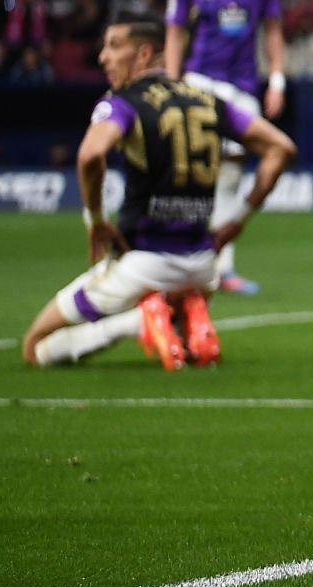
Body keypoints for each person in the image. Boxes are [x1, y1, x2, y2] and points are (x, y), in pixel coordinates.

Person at [21, 20, 298, 370]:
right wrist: (237, 221)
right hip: (203, 267)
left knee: (34, 347)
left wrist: (96, 220)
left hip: (143, 264)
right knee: (181, 306)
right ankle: (182, 316)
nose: (103, 57)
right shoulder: (209, 101)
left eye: (114, 45)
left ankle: (140, 321)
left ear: (144, 54)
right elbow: (281, 148)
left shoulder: (123, 103)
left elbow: (90, 155)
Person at [165, 0, 284, 295]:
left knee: (231, 174)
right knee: (196, 173)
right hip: (200, 82)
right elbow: (175, 33)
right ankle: (186, 258)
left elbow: (273, 28)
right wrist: (173, 85)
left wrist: (277, 80)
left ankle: (222, 265)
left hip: (244, 86)